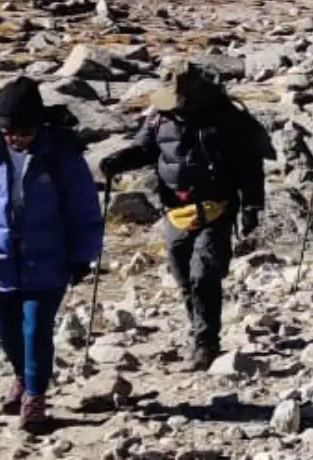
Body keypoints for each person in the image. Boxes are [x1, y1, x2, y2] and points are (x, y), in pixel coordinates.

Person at [100, 61, 267, 370]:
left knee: (203, 273)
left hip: (218, 207)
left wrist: (252, 207)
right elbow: (145, 149)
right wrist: (118, 161)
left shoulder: (226, 119)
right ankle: (198, 329)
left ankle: (206, 343)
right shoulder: (158, 118)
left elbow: (250, 166)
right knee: (183, 277)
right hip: (175, 209)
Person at [0, 78, 103, 431]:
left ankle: (35, 398)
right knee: (7, 333)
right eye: (9, 130)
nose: (16, 138)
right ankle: (21, 378)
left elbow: (84, 210)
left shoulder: (62, 158)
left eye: (24, 130)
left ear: (39, 125)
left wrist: (82, 257)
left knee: (35, 330)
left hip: (48, 262)